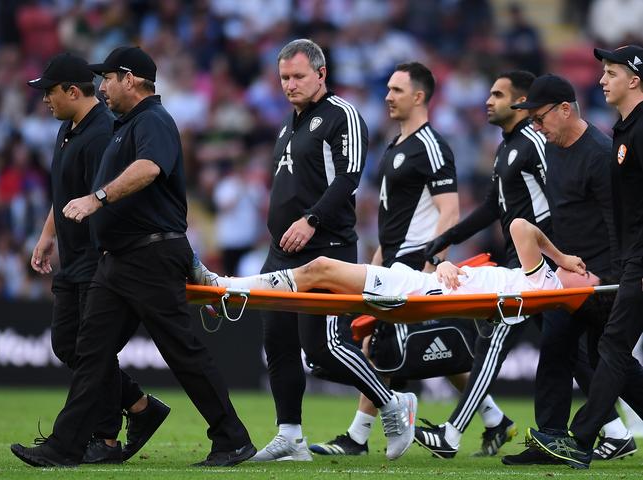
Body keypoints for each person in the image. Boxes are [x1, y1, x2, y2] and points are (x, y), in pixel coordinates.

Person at [10, 46, 254, 468]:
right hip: (119, 258)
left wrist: (97, 198)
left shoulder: (154, 121)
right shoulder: (126, 125)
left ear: (130, 79)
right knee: (90, 351)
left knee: (182, 351)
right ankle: (67, 446)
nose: (101, 87)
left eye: (107, 78)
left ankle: (231, 438)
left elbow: (151, 168)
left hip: (151, 254)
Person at [307, 62, 508, 457]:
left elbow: (449, 212)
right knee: (436, 351)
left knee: (375, 347)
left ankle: (358, 436)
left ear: (418, 96)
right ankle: (495, 418)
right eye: (387, 89)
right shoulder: (395, 147)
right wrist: (380, 260)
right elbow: (391, 219)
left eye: (397, 90)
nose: (387, 96)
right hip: (395, 261)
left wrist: (434, 265)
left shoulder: (432, 146)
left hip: (417, 265)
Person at [250, 38, 416, 462]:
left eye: (298, 76)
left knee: (325, 347)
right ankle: (290, 436)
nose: (290, 84)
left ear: (321, 74)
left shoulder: (342, 115)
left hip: (328, 247)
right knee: (279, 341)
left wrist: (310, 221)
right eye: (284, 77)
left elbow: (349, 178)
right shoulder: (290, 123)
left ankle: (392, 401)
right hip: (283, 251)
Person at [27, 52, 169, 464]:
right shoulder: (68, 129)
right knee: (67, 344)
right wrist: (46, 235)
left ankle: (105, 438)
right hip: (71, 259)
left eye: (50, 92)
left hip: (98, 259)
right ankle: (140, 407)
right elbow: (65, 192)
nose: (44, 101)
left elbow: (105, 195)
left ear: (73, 91)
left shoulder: (104, 131)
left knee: (92, 351)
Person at [411, 70, 549, 458]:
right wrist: (448, 237)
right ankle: (615, 428)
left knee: (492, 340)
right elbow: (492, 206)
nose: (488, 100)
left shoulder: (536, 143)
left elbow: (560, 200)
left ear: (520, 102)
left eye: (498, 94)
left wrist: (560, 257)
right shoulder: (507, 147)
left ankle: (453, 433)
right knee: (573, 353)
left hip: (537, 266)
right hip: (520, 263)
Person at [503, 74, 635, 465]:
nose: (535, 127)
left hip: (602, 279)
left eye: (539, 118)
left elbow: (620, 222)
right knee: (558, 348)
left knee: (609, 360)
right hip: (571, 274)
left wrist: (613, 278)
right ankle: (551, 438)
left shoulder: (599, 153)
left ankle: (561, 438)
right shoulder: (554, 148)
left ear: (565, 109)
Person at [205, 218, 594, 301]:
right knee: (317, 277)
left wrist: (561, 256)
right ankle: (227, 289)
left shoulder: (544, 280)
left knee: (318, 269)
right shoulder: (535, 280)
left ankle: (225, 286)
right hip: (426, 282)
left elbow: (520, 227)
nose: (582, 267)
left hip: (415, 288)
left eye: (587, 273)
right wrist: (447, 265)